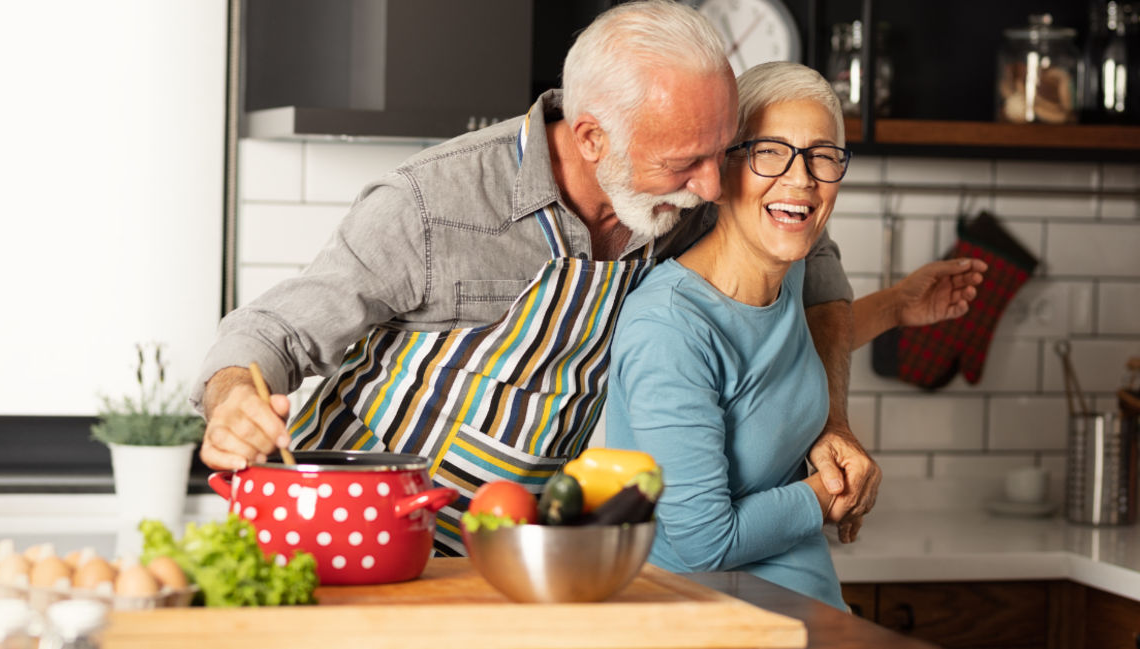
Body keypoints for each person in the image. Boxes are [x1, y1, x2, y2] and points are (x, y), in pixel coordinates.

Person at [191, 1, 972, 557]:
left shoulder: (681, 199)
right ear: (594, 138)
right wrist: (233, 400)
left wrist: (835, 414)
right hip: (351, 535)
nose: (711, 187)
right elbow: (272, 333)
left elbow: (812, 267)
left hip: (510, 554)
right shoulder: (436, 203)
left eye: (722, 150)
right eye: (686, 163)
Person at [603, 60, 985, 610]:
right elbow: (706, 542)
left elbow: (776, 360)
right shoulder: (668, 325)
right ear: (722, 168)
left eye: (822, 156)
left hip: (811, 614)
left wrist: (897, 307)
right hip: (704, 625)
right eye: (769, 152)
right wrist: (832, 489)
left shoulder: (791, 276)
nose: (801, 178)